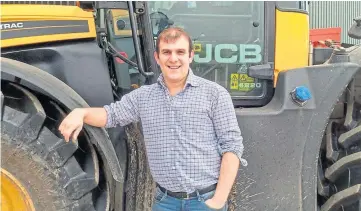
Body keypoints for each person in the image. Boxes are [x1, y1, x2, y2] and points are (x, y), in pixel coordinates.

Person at [59, 27, 247, 211]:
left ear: (190, 56)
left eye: (180, 52)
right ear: (157, 58)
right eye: (166, 52)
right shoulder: (143, 97)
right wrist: (81, 113)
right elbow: (112, 115)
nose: (173, 59)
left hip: (204, 200)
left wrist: (218, 201)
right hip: (165, 201)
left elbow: (231, 147)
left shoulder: (215, 95)